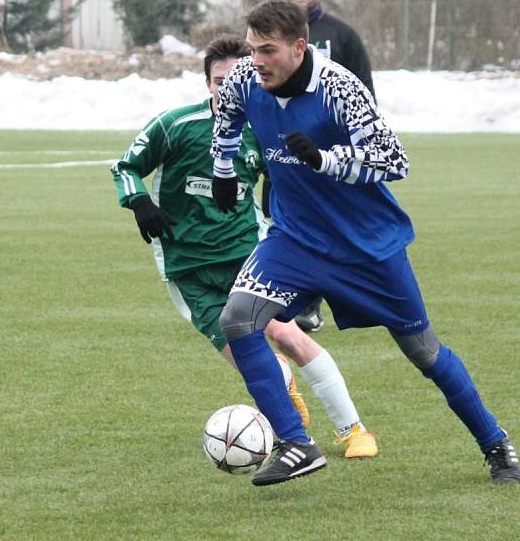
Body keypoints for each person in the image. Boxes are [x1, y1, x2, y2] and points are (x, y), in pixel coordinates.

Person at [210, 0, 520, 487]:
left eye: (267, 50)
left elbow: (393, 160)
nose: (257, 61)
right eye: (252, 49)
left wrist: (325, 160)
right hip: (295, 239)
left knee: (424, 352)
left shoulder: (338, 86)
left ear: (298, 46)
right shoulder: (245, 80)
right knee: (237, 319)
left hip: (367, 248)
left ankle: (495, 442)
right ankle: (296, 443)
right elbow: (225, 116)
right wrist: (224, 169)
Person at [111, 34, 378, 459]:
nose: (228, 88)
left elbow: (295, 180)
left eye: (238, 77)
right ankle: (289, 414)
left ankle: (354, 430)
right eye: (220, 81)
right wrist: (139, 199)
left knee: (286, 334)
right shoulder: (175, 125)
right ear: (208, 84)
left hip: (247, 251)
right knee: (249, 361)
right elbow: (125, 167)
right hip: (188, 267)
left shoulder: (263, 128)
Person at [277, 0, 376, 333]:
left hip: (333, 154)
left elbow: (365, 92)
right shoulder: (270, 34)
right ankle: (300, 302)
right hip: (284, 149)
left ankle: (350, 301)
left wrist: (361, 144)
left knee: (336, 225)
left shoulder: (342, 34)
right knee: (288, 223)